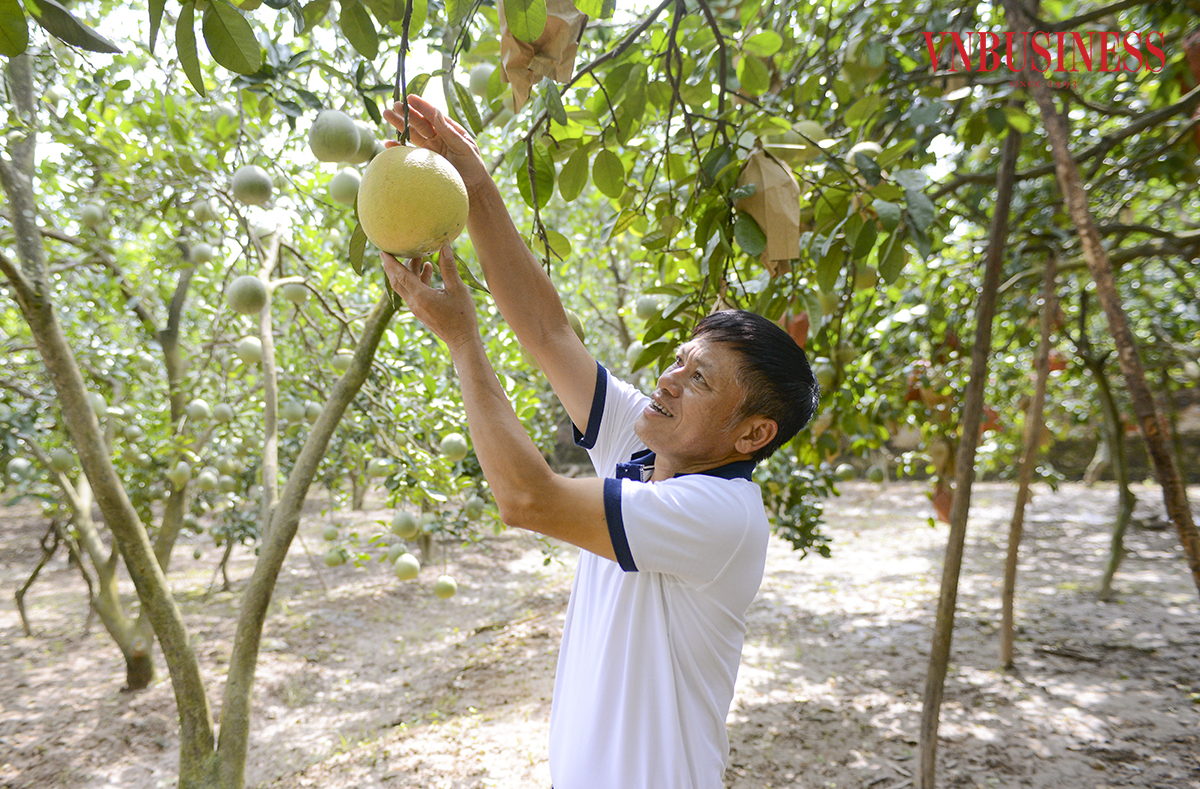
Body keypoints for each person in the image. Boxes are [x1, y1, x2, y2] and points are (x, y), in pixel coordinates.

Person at [380, 94, 819, 789]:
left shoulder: (721, 514)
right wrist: (469, 173)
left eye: (699, 379)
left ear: (753, 432)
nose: (668, 380)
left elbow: (527, 497)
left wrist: (463, 341)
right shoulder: (644, 455)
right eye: (678, 360)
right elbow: (548, 330)